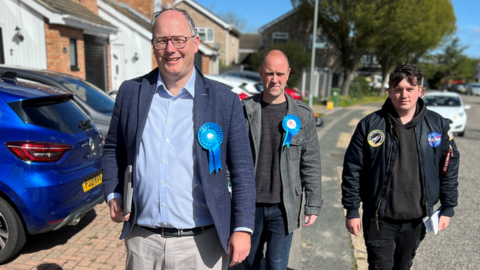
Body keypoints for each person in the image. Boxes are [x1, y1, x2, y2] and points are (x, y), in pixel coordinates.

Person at [102, 8, 256, 270]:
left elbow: (242, 170)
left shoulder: (225, 101)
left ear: (195, 43)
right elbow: (113, 149)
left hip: (201, 246)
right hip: (142, 242)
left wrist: (243, 228)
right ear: (153, 46)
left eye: (179, 40)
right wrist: (114, 191)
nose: (170, 49)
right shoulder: (130, 93)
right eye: (161, 41)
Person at [342, 64, 459, 270]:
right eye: (398, 89)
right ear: (389, 91)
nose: (404, 95)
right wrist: (352, 209)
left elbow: (448, 167)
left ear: (421, 91)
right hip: (379, 219)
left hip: (416, 220)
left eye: (410, 89)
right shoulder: (370, 125)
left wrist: (448, 206)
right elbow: (353, 168)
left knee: (403, 266)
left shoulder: (438, 125)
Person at [241, 50, 323, 269]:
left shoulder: (303, 115)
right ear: (260, 74)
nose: (274, 79)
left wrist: (313, 204)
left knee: (277, 265)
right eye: (269, 73)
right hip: (250, 207)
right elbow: (231, 155)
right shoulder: (245, 111)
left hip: (284, 207)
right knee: (249, 263)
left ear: (288, 74)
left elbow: (311, 161)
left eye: (279, 73)